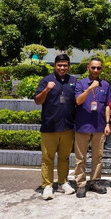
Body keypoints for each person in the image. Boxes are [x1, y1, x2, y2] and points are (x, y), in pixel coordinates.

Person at [34, 54, 77, 200]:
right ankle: (47, 185)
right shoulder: (46, 80)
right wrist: (46, 89)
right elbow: (38, 101)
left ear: (68, 66)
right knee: (48, 158)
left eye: (65, 65)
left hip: (67, 127)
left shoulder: (73, 81)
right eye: (59, 65)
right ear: (55, 66)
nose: (62, 68)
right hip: (50, 126)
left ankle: (63, 182)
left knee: (64, 157)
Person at [74, 57, 111, 198]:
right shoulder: (80, 83)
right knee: (80, 158)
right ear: (88, 68)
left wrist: (108, 123)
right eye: (93, 67)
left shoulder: (106, 85)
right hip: (82, 125)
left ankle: (94, 181)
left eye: (99, 68)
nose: (96, 70)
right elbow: (78, 101)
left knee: (98, 156)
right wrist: (90, 88)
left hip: (99, 126)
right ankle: (81, 184)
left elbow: (108, 105)